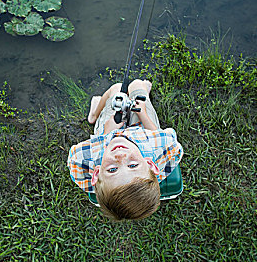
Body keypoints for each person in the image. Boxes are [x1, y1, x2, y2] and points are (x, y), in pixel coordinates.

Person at [67, 79, 183, 221]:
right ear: (150, 164)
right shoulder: (156, 149)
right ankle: (142, 90)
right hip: (141, 129)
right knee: (136, 85)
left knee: (116, 89)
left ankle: (94, 115)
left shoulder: (91, 157)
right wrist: (143, 114)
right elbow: (159, 135)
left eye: (112, 169)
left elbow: (76, 156)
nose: (121, 155)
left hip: (109, 129)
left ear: (96, 173)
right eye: (133, 165)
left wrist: (106, 133)